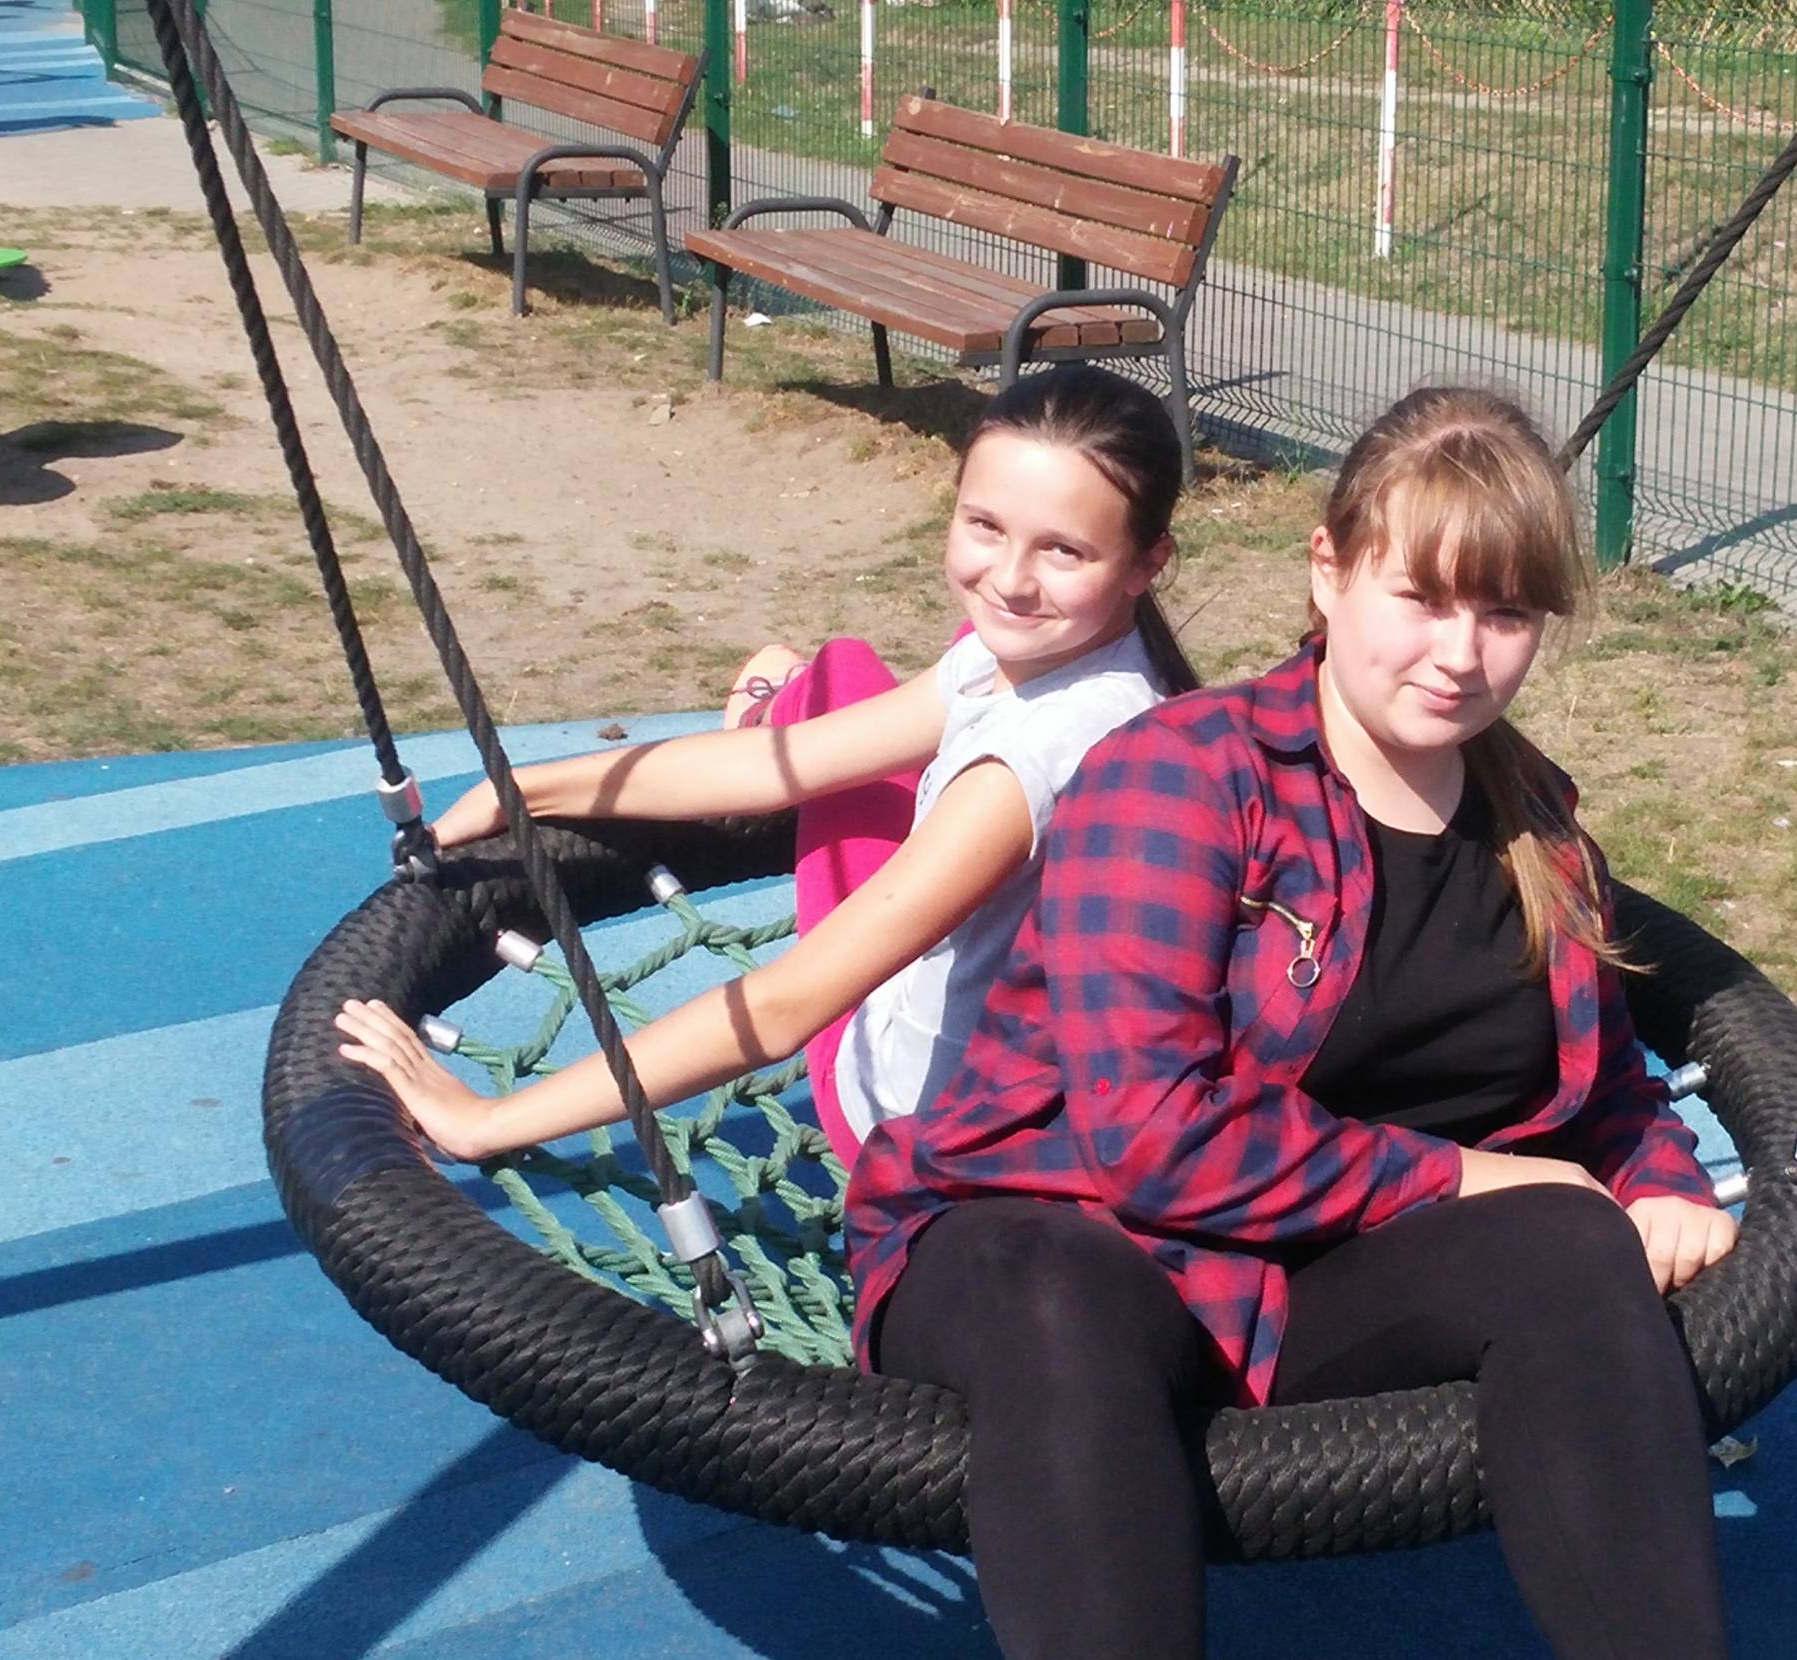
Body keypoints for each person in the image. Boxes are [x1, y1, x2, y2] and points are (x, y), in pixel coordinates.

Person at [846, 386, 1739, 1660]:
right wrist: (1463, 1174)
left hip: (1307, 1277)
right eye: (1420, 598)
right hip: (1051, 1225)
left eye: (1503, 614)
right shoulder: (1180, 776)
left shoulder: (1538, 831)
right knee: (1064, 1288)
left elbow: (1601, 1094)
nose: (1460, 654)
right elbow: (1149, 1137)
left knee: (1568, 1239)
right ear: (1329, 571)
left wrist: (1658, 1183)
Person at [333, 365, 1198, 1157]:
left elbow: (785, 1010)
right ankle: (783, 692)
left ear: (1147, 562)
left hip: (906, 1121)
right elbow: (782, 768)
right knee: (845, 698)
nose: (1010, 578)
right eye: (985, 526)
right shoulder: (1064, 662)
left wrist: (490, 1120)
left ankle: (783, 689)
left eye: (1063, 550)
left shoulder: (1027, 764)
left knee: (834, 680)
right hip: (1004, 1064)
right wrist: (529, 788)